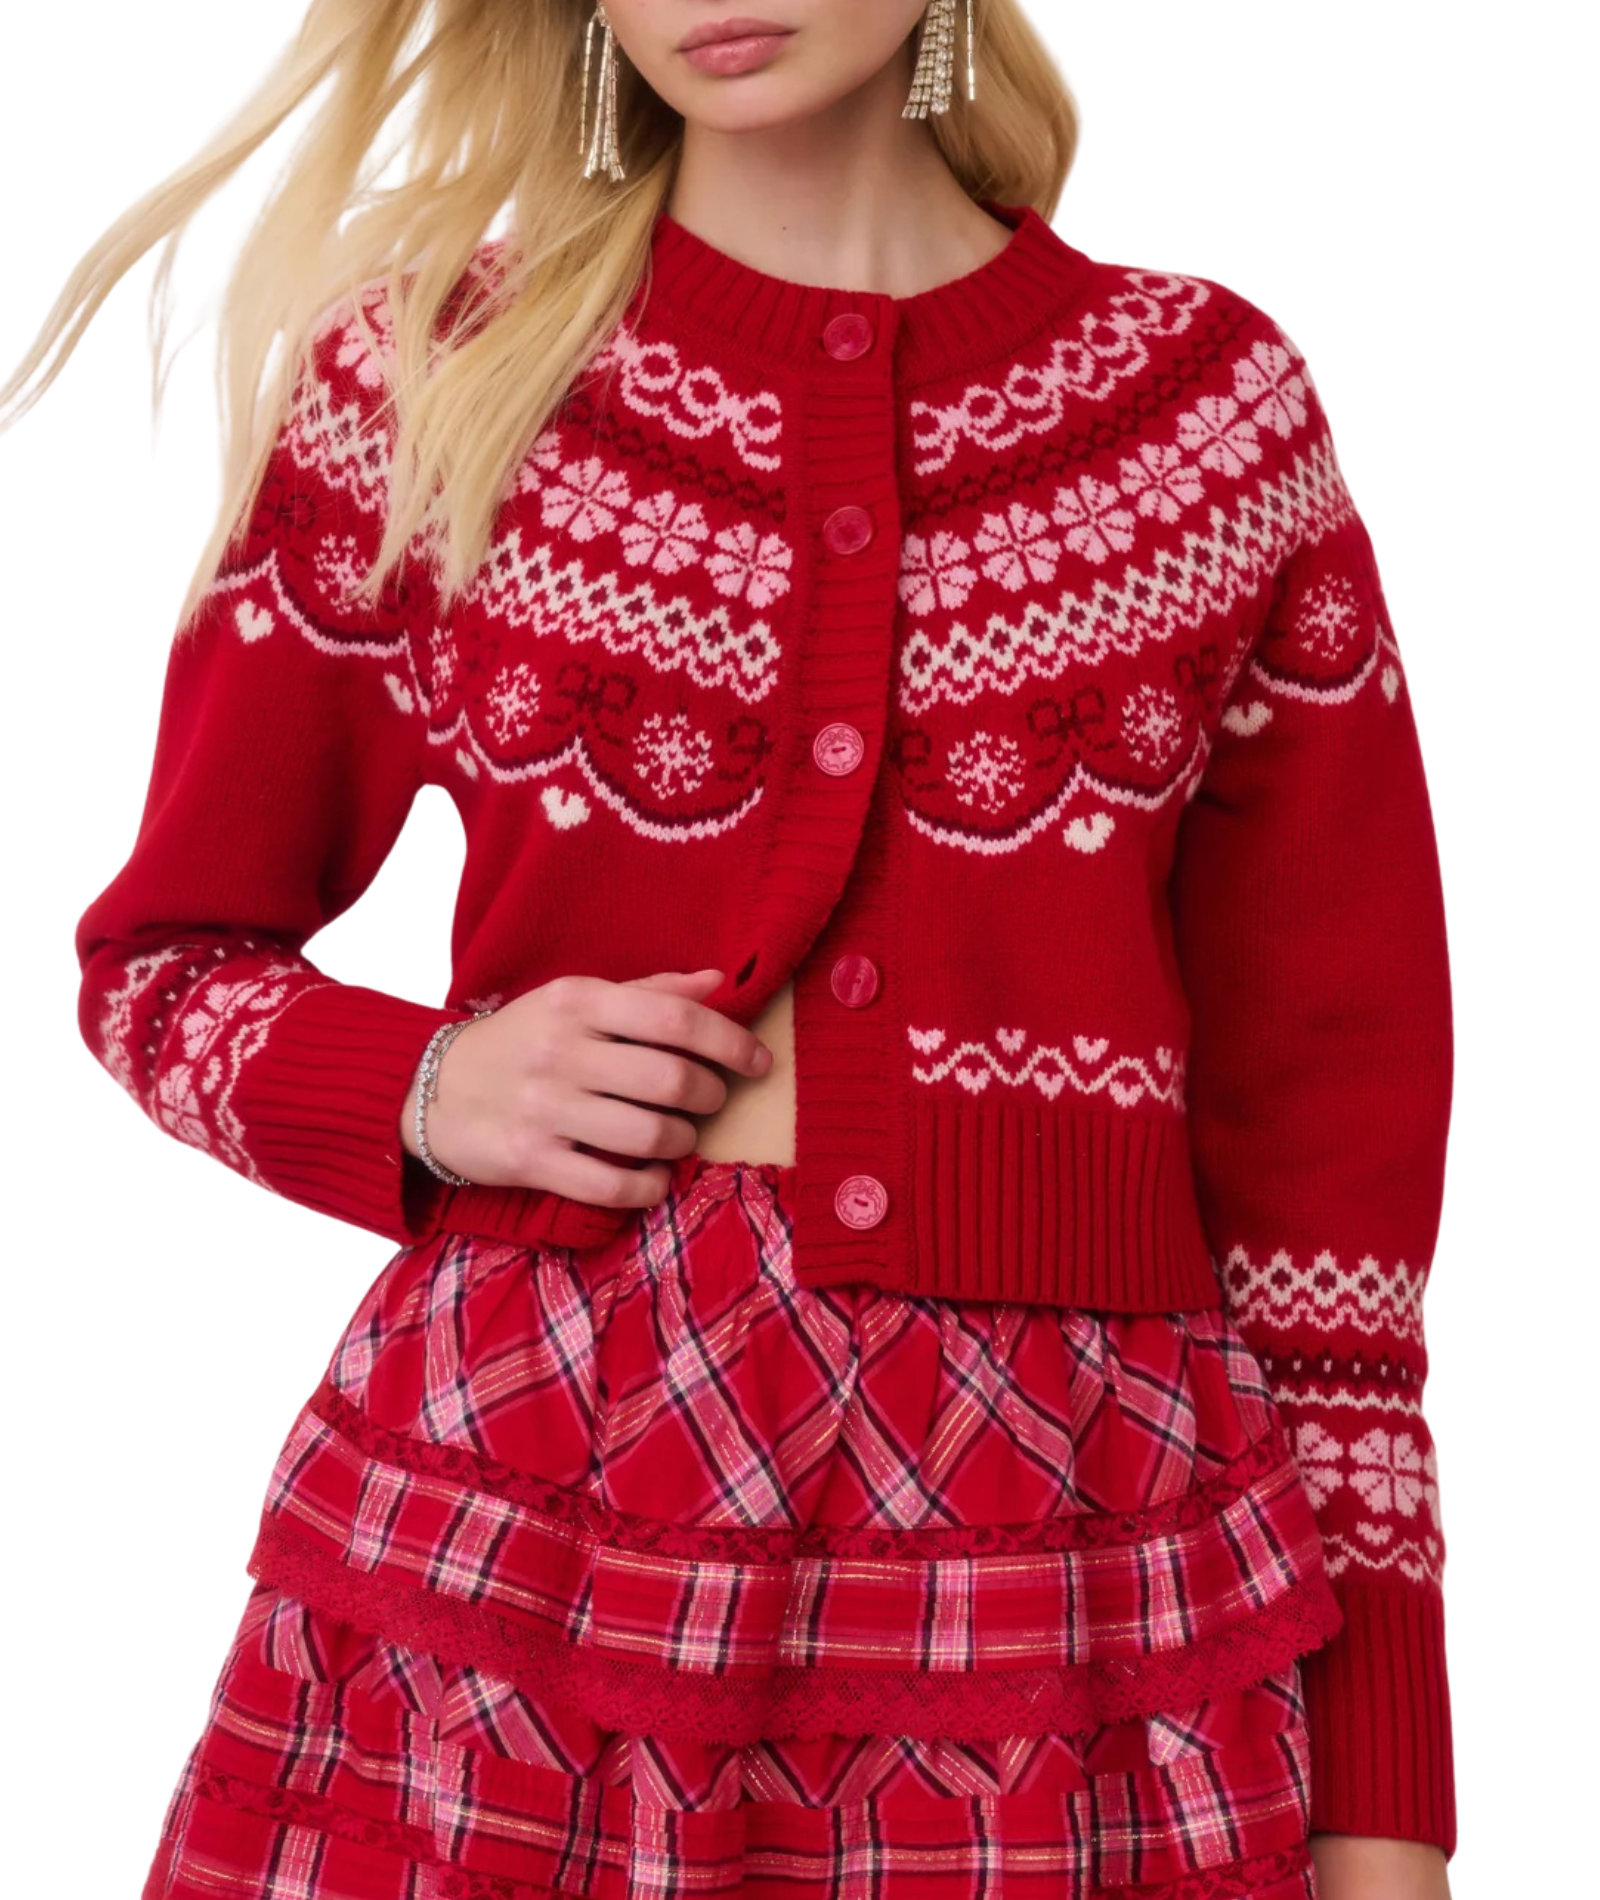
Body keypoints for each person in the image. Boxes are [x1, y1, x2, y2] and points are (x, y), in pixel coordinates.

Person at [1, 4, 1457, 1895]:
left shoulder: (1204, 413)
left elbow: (1335, 1179)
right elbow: (161, 962)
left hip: (1079, 1563)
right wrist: (431, 1086)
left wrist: (1384, 1792)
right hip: (529, 1531)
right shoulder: (432, 376)